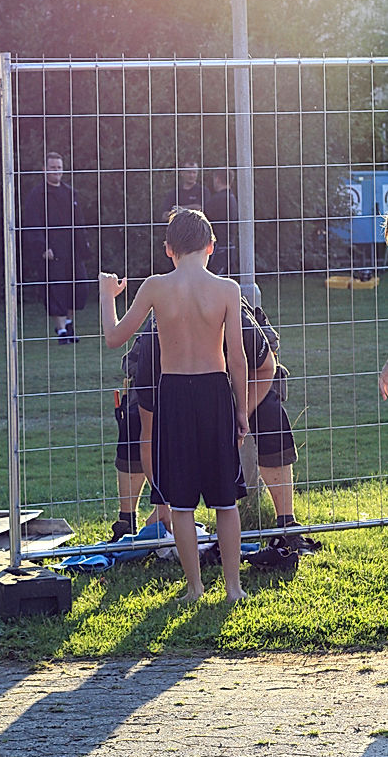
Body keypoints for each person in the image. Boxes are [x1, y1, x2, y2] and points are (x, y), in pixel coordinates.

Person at [100, 207, 249, 603]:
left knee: (180, 503)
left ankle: (195, 589)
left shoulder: (154, 286)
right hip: (216, 392)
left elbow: (115, 337)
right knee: (224, 499)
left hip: (174, 396)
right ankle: (234, 588)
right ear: (211, 247)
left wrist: (106, 296)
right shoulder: (227, 289)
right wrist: (241, 409)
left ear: (169, 250)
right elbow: (237, 358)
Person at [112, 300, 305, 548]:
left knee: (271, 415)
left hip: (235, 377)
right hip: (173, 383)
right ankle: (126, 523)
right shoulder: (154, 344)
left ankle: (287, 524)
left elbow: (266, 369)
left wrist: (240, 415)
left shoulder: (235, 317)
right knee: (133, 421)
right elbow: (148, 437)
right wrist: (163, 505)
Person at [22, 152, 91, 344]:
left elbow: (79, 221)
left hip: (72, 250)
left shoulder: (70, 193)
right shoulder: (37, 195)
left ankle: (69, 323)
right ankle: (61, 330)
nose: (56, 172)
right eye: (52, 168)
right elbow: (32, 223)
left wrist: (83, 245)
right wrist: (43, 247)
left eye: (59, 168)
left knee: (79, 287)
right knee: (56, 289)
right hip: (52, 252)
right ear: (44, 169)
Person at [205, 168, 238, 277]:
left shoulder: (217, 199)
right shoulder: (232, 198)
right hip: (231, 246)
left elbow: (202, 217)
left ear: (217, 179)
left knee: (214, 280)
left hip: (219, 248)